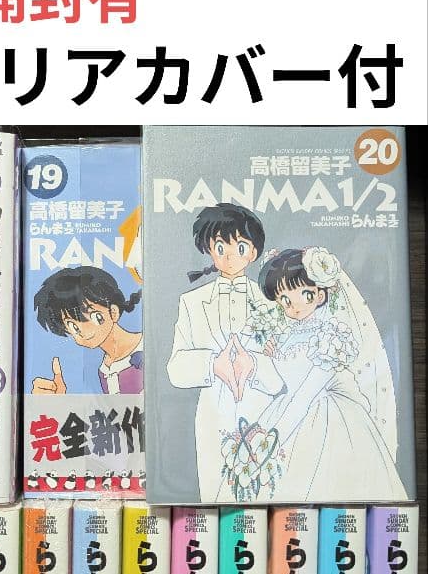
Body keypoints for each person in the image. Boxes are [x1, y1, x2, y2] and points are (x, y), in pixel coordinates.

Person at [220, 246, 406, 502]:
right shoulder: (287, 335)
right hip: (289, 408)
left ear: (320, 294)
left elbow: (307, 393)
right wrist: (269, 359)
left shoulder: (331, 336)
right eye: (285, 300)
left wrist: (272, 437)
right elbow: (284, 383)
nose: (294, 306)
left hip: (329, 419)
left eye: (304, 295)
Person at [167, 203, 284, 502]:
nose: (230, 256)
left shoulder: (272, 303)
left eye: (240, 247)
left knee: (266, 496)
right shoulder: (192, 302)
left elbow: (285, 374)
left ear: (253, 252)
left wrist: (255, 364)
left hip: (265, 412)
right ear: (209, 248)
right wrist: (212, 364)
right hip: (213, 415)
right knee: (215, 494)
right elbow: (175, 368)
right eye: (221, 247)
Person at [31, 265, 143, 395]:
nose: (84, 331)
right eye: (73, 326)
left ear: (113, 312)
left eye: (95, 316)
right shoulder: (105, 369)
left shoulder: (145, 348)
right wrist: (59, 400)